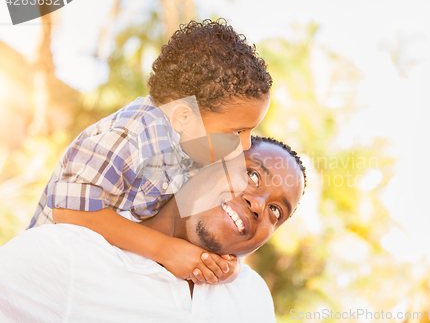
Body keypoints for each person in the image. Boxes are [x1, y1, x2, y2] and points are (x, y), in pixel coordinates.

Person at [26, 19, 273, 284]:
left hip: (97, 278)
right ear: (183, 118)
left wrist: (230, 262)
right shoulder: (132, 135)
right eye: (238, 131)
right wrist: (164, 250)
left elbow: (216, 216)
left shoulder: (197, 147)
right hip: (47, 275)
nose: (246, 144)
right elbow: (70, 211)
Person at [0, 136, 306, 323]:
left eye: (276, 211)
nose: (259, 204)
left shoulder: (252, 298)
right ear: (204, 163)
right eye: (252, 175)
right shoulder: (68, 256)